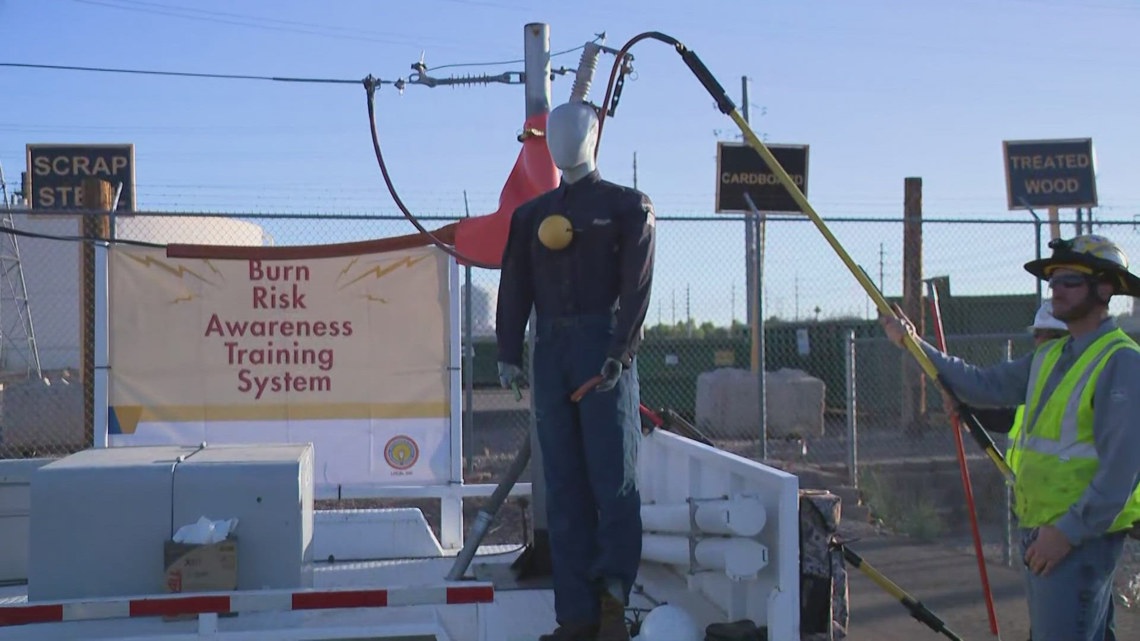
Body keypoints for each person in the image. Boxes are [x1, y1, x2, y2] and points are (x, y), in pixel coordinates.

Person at [880, 234, 1140, 641]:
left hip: (1075, 540)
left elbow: (1121, 471)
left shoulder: (1120, 361)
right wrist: (912, 343)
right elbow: (980, 384)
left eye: (1069, 280)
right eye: (1052, 281)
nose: (1056, 290)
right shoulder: (1051, 356)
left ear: (1105, 288)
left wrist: (1065, 533)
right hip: (1044, 532)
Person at [495, 99, 655, 641]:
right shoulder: (530, 217)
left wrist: (619, 353)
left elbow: (635, 290)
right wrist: (507, 351)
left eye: (574, 128)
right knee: (562, 483)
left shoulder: (630, 208)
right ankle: (576, 616)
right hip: (551, 354)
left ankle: (612, 599)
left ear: (593, 135)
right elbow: (514, 285)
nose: (563, 139)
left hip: (600, 347)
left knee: (614, 478)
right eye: (555, 132)